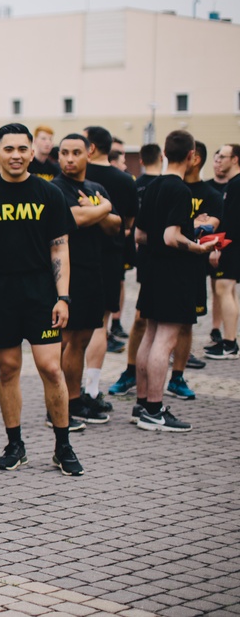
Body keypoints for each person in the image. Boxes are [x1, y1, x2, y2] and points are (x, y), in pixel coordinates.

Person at [0, 123, 83, 476]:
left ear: (32, 152)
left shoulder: (49, 194)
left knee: (50, 368)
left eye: (22, 149)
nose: (15, 155)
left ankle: (63, 445)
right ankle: (15, 445)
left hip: (40, 292)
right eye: (8, 148)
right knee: (8, 369)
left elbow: (60, 248)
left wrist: (64, 298)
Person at [134, 131, 215, 431]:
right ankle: (154, 411)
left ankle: (142, 404)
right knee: (165, 341)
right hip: (174, 274)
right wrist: (200, 246)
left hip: (152, 272)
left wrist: (186, 228)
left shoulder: (153, 186)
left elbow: (141, 235)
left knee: (150, 336)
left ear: (166, 153)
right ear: (193, 156)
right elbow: (171, 237)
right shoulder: (181, 191)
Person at [52, 134, 120, 424]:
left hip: (94, 270)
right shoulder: (55, 189)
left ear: (88, 155)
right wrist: (103, 208)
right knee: (66, 341)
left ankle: (76, 398)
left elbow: (116, 227)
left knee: (82, 339)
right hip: (69, 274)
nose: (69, 158)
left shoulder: (95, 187)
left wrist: (99, 212)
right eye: (64, 153)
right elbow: (75, 218)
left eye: (76, 152)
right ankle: (59, 401)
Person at [82, 126, 137, 403]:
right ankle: (91, 388)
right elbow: (127, 225)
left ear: (90, 148)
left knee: (70, 327)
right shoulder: (126, 181)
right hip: (111, 256)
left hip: (78, 256)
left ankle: (69, 388)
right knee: (100, 324)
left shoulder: (78, 177)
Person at [167, 142, 221, 399]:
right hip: (164, 265)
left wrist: (190, 226)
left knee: (187, 323)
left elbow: (210, 229)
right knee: (148, 322)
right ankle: (136, 373)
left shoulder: (210, 194)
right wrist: (194, 224)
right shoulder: (170, 187)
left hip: (193, 267)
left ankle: (177, 376)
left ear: (195, 158)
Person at [109, 143, 163, 396]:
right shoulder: (138, 184)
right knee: (144, 319)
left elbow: (133, 225)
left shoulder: (160, 186)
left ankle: (169, 376)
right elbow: (134, 227)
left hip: (159, 263)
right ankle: (133, 372)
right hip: (149, 263)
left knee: (164, 325)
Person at [206, 144, 240, 358]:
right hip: (231, 244)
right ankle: (230, 340)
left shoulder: (236, 185)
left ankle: (229, 343)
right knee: (227, 290)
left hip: (231, 245)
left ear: (235, 159)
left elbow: (232, 222)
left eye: (223, 156)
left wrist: (217, 247)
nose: (219, 159)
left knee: (223, 289)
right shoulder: (232, 184)